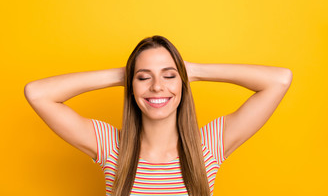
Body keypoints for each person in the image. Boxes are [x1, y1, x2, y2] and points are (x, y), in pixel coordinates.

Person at [24, 35, 292, 196]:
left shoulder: (208, 146)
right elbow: (37, 93)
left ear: (182, 83)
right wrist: (125, 74)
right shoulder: (110, 146)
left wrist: (194, 71)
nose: (157, 87)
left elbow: (279, 80)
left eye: (169, 75)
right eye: (144, 77)